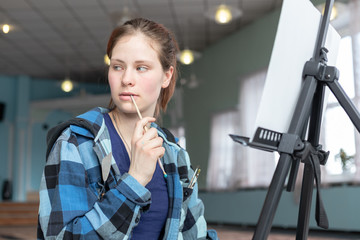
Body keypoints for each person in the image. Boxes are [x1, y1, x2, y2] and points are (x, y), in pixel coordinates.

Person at [37, 18, 218, 239]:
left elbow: (194, 234)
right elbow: (61, 236)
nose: (126, 79)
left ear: (166, 75)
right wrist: (135, 180)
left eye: (141, 68)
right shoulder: (75, 142)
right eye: (118, 66)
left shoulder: (175, 154)